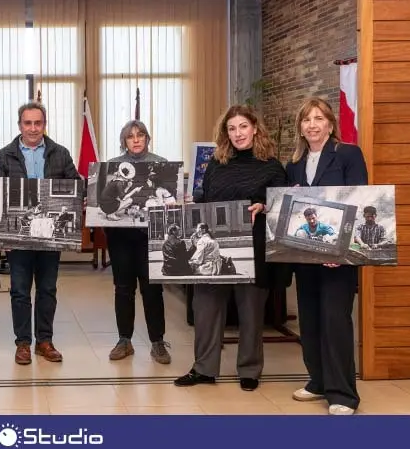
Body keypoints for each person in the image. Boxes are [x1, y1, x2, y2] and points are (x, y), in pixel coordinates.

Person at [174, 104, 288, 391]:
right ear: (225, 133)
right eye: (232, 128)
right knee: (205, 308)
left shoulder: (273, 166)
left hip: (254, 249)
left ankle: (249, 370)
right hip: (216, 248)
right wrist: (187, 205)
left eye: (243, 127)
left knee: (250, 312)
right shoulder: (216, 164)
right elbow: (205, 199)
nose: (238, 133)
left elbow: (281, 204)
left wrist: (263, 205)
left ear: (255, 128)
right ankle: (204, 368)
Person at [285, 96, 367, 415]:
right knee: (310, 319)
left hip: (337, 258)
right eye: (307, 120)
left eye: (319, 118)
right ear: (301, 128)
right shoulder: (294, 162)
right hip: (305, 258)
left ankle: (343, 394)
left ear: (330, 125)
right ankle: (318, 381)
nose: (312, 124)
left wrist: (340, 249)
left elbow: (358, 200)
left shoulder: (347, 154)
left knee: (335, 321)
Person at [0, 101, 80, 365]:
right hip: (18, 237)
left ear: (44, 124)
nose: (32, 128)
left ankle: (44, 341)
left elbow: (76, 187)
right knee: (19, 290)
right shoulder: (4, 156)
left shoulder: (60, 154)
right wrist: (1, 236)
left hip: (50, 236)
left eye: (37, 123)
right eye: (27, 123)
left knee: (47, 289)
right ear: (20, 125)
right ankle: (22, 344)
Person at [104, 120, 172, 364]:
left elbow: (169, 198)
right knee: (123, 288)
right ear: (124, 140)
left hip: (151, 237)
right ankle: (124, 340)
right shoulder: (112, 165)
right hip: (121, 236)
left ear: (147, 138)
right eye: (130, 136)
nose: (136, 139)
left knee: (152, 288)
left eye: (140, 135)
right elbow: (103, 197)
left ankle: (157, 342)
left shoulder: (162, 164)